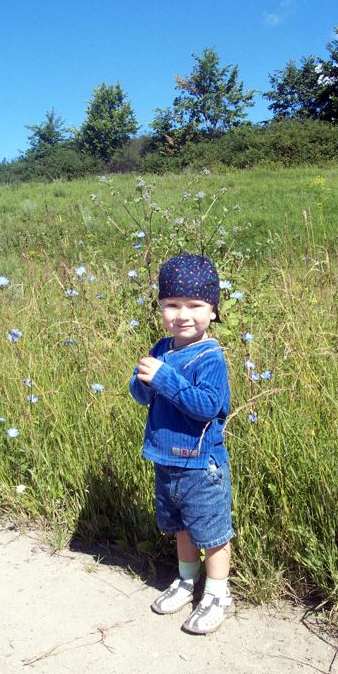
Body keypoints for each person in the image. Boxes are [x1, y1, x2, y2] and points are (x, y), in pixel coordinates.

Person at [129, 252, 234, 634]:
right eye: (172, 305)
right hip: (166, 460)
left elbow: (207, 406)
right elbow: (142, 396)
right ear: (161, 307)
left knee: (212, 532)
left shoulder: (210, 357)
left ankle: (219, 593)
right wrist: (142, 381)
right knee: (182, 528)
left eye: (195, 305)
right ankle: (188, 581)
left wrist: (164, 381)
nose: (183, 315)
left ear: (213, 310)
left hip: (201, 465)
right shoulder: (161, 348)